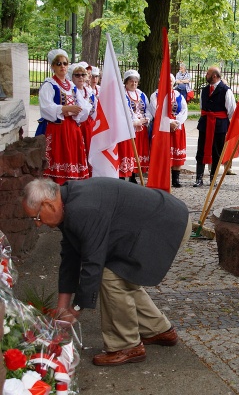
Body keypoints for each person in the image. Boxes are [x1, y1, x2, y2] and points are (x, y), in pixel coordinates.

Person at [22, 177, 192, 366]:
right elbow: (70, 257)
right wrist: (62, 308)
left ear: (49, 205)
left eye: (36, 217)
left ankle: (126, 345)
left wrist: (75, 310)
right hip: (159, 220)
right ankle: (158, 330)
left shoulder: (82, 209)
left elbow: (92, 263)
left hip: (166, 227)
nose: (37, 224)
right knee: (121, 276)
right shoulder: (68, 202)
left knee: (110, 276)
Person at [38, 49, 91, 185]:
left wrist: (76, 111)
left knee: (72, 159)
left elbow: (84, 106)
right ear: (52, 66)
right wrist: (65, 109)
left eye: (65, 63)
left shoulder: (72, 86)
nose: (62, 66)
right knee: (58, 158)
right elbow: (45, 107)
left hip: (72, 129)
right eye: (58, 63)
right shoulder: (49, 85)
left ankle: (72, 188)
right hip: (57, 130)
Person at [193, 66, 236, 187]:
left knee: (217, 151)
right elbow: (202, 106)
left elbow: (232, 110)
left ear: (214, 76)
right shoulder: (204, 90)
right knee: (201, 150)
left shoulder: (226, 91)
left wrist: (219, 117)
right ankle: (199, 177)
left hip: (219, 125)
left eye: (208, 74)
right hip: (205, 123)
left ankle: (213, 178)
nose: (206, 76)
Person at [149, 74, 188, 188]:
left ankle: (175, 179)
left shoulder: (178, 95)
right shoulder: (155, 95)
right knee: (163, 154)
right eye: (166, 81)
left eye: (170, 81)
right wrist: (168, 122)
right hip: (162, 128)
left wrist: (176, 122)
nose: (169, 83)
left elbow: (184, 110)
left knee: (177, 153)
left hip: (177, 127)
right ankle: (162, 178)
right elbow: (156, 111)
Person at [119, 70, 151, 183]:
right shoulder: (122, 94)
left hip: (141, 128)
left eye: (136, 81)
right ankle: (122, 175)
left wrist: (146, 118)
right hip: (129, 127)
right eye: (131, 81)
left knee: (139, 151)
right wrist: (135, 121)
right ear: (126, 82)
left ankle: (134, 175)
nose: (134, 84)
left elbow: (148, 109)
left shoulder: (141, 94)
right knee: (129, 151)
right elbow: (123, 110)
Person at [70, 64, 97, 173]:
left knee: (89, 150)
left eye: (83, 75)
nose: (80, 77)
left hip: (88, 126)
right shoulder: (71, 92)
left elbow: (95, 110)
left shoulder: (90, 93)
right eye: (77, 75)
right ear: (72, 77)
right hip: (75, 125)